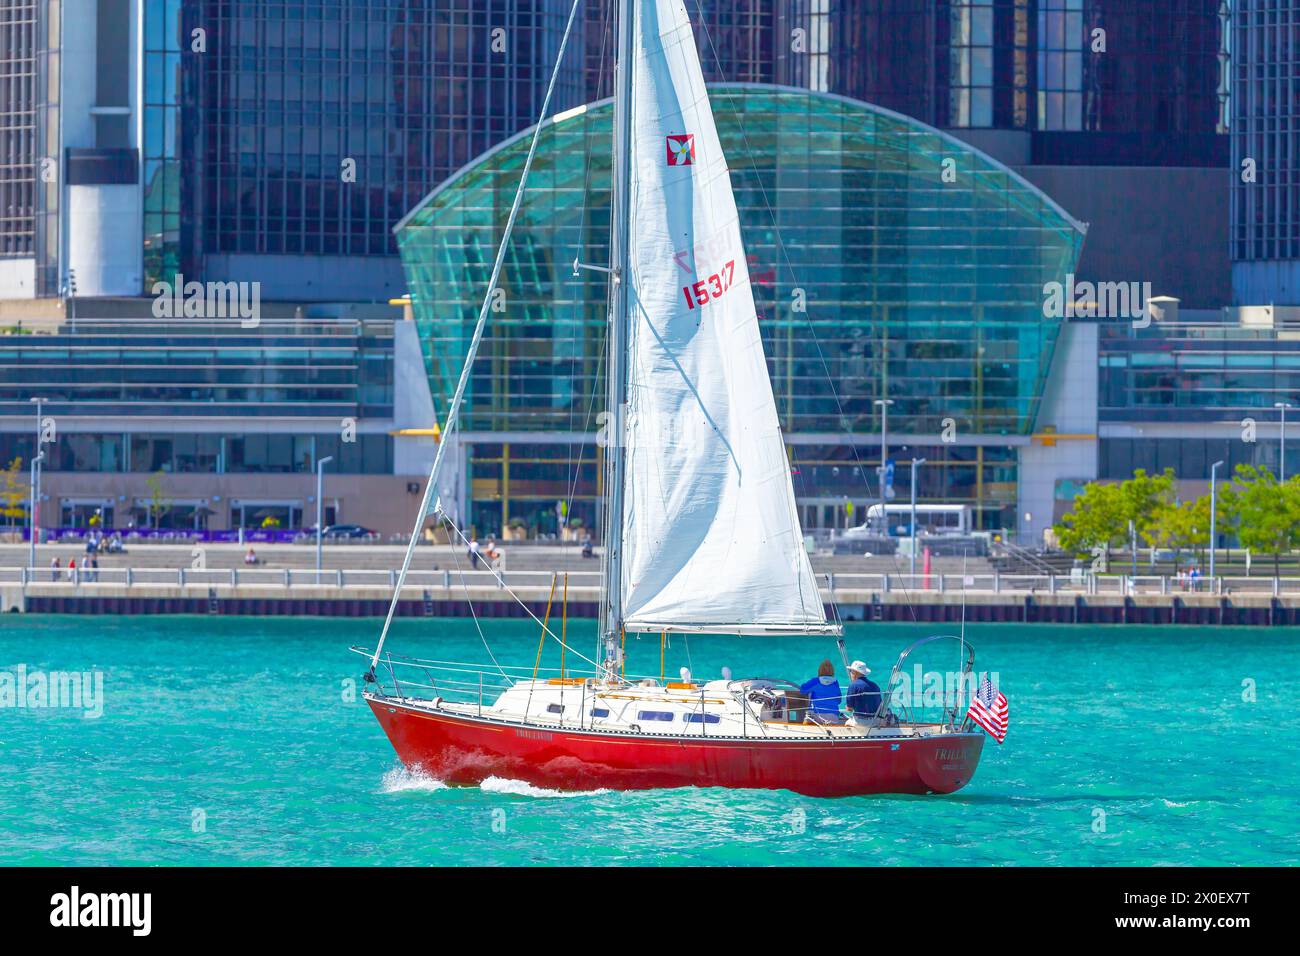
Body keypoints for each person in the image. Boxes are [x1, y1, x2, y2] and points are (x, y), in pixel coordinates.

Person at [799, 659, 843, 724]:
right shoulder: (835, 682)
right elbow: (839, 700)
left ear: (820, 670)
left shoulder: (815, 681)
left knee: (808, 715)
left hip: (817, 716)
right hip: (833, 717)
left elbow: (802, 690)